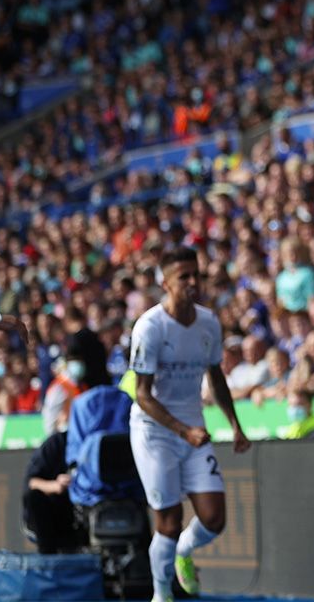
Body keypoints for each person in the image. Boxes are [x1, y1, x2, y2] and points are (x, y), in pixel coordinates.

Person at [129, 247, 251, 602]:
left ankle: (184, 551)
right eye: (183, 277)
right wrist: (183, 430)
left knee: (214, 519)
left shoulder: (209, 322)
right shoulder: (150, 327)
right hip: (155, 432)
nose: (192, 282)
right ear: (165, 283)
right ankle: (162, 594)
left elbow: (216, 376)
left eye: (196, 274)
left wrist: (235, 425)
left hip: (193, 431)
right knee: (167, 519)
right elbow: (143, 395)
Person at [23, 429, 85, 554]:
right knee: (34, 497)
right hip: (60, 514)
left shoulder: (106, 440)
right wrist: (56, 486)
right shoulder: (57, 442)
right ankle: (48, 559)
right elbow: (32, 482)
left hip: (92, 514)